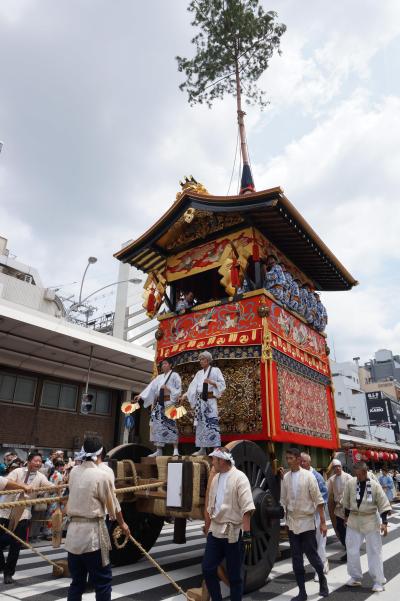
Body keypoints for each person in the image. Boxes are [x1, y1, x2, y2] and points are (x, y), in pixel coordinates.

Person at [65, 436, 130, 601]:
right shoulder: (101, 475)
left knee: (77, 582)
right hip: (92, 535)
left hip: (73, 534)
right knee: (103, 581)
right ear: (101, 452)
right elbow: (112, 505)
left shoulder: (74, 471)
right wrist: (122, 524)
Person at [202, 447, 255, 601]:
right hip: (216, 530)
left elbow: (247, 508)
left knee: (234, 576)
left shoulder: (240, 477)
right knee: (208, 568)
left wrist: (247, 534)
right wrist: (208, 527)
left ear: (222, 460)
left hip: (234, 532)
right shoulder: (216, 479)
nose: (212, 462)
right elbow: (211, 505)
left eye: (214, 459)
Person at [280, 447, 329, 601]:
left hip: (307, 522)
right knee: (296, 560)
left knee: (313, 556)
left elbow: (318, 501)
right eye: (286, 458)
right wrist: (285, 521)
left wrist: (323, 523)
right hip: (293, 523)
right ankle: (302, 592)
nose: (288, 461)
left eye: (290, 458)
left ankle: (322, 579)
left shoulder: (309, 476)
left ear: (298, 459)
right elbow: (283, 500)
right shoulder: (286, 478)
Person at [0, 450, 50, 584]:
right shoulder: (17, 472)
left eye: (40, 461)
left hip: (23, 512)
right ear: (29, 461)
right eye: (36, 461)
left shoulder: (40, 477)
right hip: (6, 509)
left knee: (16, 544)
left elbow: (49, 486)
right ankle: (2, 565)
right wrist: (23, 486)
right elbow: (7, 482)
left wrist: (59, 486)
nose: (38, 463)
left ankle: (8, 573)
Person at [343, 461, 390, 592]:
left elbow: (383, 503)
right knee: (351, 549)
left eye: (359, 475)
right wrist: (346, 517)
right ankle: (355, 577)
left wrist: (384, 523)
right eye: (355, 474)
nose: (357, 477)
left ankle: (378, 581)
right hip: (354, 519)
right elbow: (346, 502)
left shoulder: (375, 485)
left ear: (365, 472)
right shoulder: (350, 483)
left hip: (370, 519)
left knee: (374, 551)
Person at [181, 351, 226, 456]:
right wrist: (185, 395)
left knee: (212, 422)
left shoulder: (216, 370)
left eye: (203, 359)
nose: (201, 361)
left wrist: (212, 382)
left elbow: (222, 385)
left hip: (210, 400)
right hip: (200, 401)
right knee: (201, 424)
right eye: (200, 359)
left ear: (208, 360)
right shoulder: (199, 373)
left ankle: (215, 449)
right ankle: (202, 448)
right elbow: (193, 387)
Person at [135, 357, 182, 457]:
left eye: (165, 364)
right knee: (155, 424)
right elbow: (151, 388)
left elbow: (179, 390)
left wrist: (168, 388)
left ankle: (176, 449)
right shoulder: (159, 377)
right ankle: (159, 449)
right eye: (162, 364)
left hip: (169, 401)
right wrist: (141, 395)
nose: (163, 365)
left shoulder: (175, 375)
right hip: (160, 403)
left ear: (170, 365)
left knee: (171, 424)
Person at [300, 453, 329, 578]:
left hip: (316, 514)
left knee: (319, 541)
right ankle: (319, 565)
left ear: (309, 462)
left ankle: (321, 567)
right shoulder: (299, 475)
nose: (301, 463)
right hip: (304, 514)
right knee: (308, 543)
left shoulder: (316, 476)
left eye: (304, 461)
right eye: (300, 461)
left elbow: (323, 496)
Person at [327, 459, 352, 561]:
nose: (337, 468)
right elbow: (326, 491)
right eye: (335, 467)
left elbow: (352, 492)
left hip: (348, 508)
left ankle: (349, 551)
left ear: (341, 467)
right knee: (340, 529)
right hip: (338, 508)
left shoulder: (348, 477)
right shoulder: (332, 479)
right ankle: (347, 546)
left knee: (348, 530)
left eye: (339, 466)